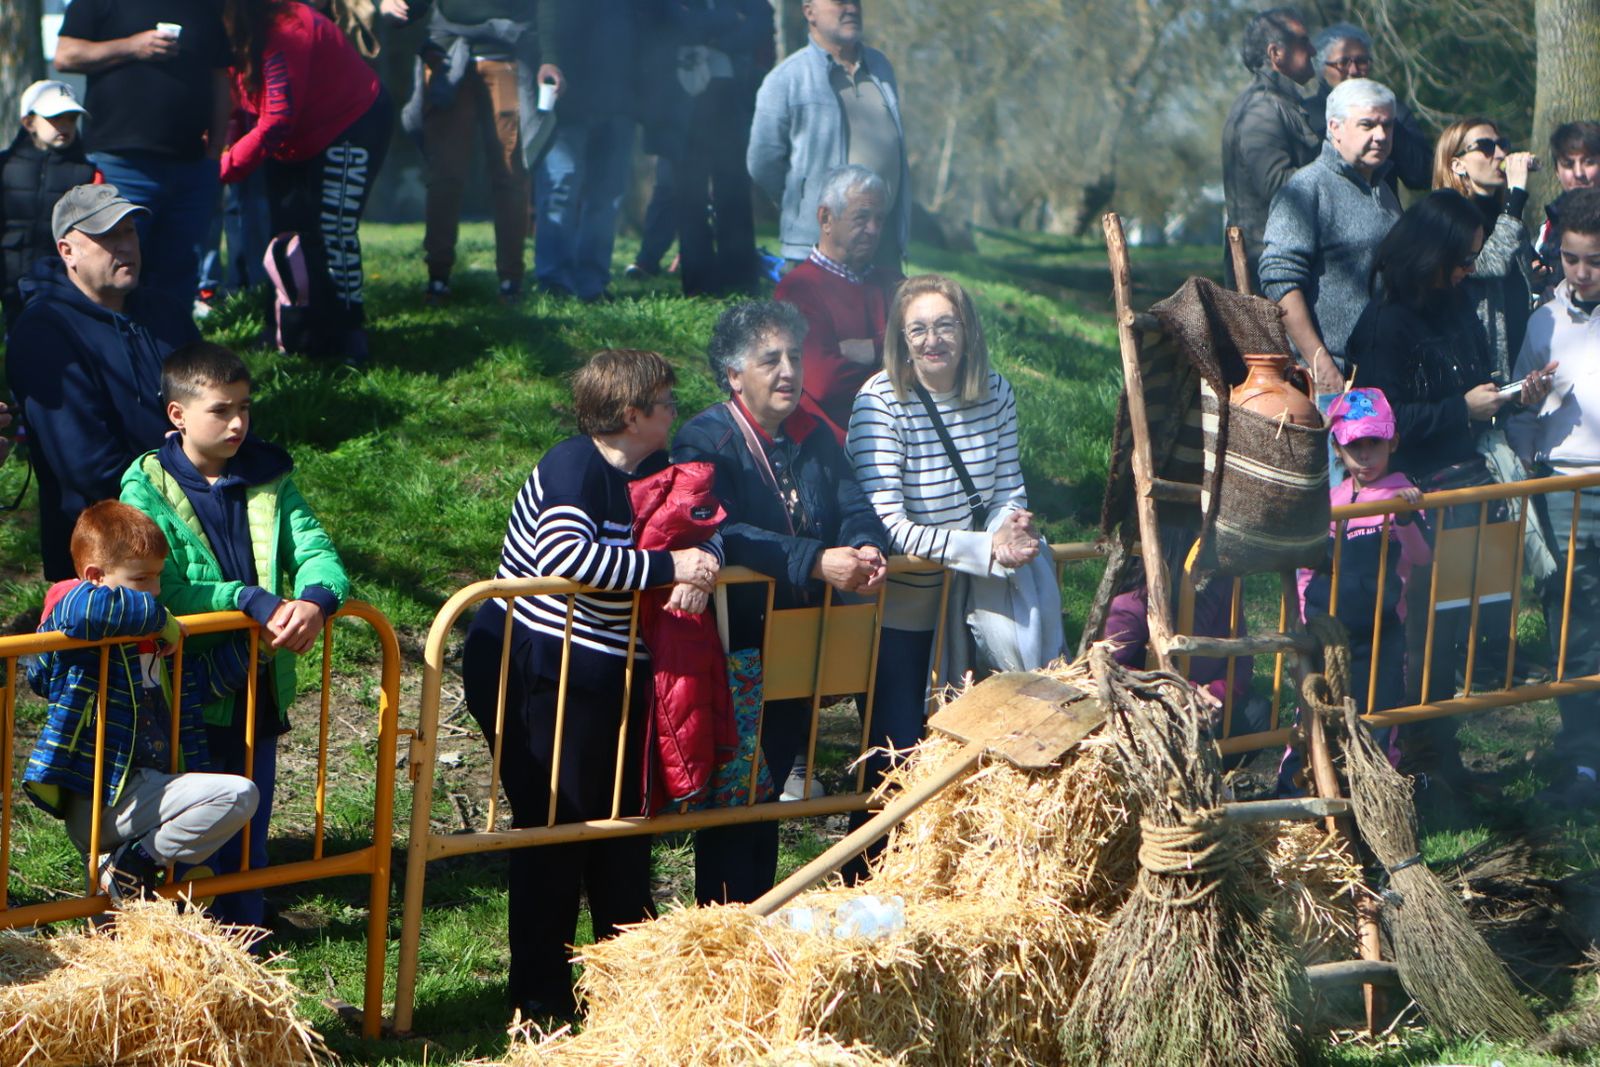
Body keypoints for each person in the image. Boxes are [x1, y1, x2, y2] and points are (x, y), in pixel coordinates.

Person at [461, 349, 718, 1018]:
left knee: (623, 828)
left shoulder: (659, 465)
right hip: (541, 666)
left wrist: (702, 561)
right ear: (631, 414)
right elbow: (567, 558)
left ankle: (624, 986)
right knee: (556, 828)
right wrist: (671, 568)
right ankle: (541, 998)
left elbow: (710, 526)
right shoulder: (574, 464)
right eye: (665, 403)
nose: (675, 412)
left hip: (611, 670)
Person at [120, 341, 351, 929]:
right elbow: (161, 591)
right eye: (221, 410)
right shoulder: (143, 488)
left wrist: (317, 600)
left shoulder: (268, 473)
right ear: (177, 415)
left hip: (257, 684)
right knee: (189, 827)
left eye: (244, 407)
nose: (238, 423)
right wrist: (245, 599)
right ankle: (179, 939)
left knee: (251, 827)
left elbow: (316, 550)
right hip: (182, 690)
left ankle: (246, 937)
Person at [673, 301, 888, 904]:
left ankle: (756, 918)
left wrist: (866, 544)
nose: (789, 370)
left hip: (795, 643)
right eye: (770, 359)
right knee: (735, 800)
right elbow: (721, 529)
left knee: (765, 792)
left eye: (794, 355)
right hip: (734, 646)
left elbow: (853, 503)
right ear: (734, 374)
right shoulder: (705, 438)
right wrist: (815, 560)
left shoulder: (812, 433)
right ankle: (722, 924)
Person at [1348, 191, 1555, 810]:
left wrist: (1511, 396)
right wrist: (1458, 409)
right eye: (1462, 259)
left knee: (1456, 637)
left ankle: (1443, 758)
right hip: (1415, 501)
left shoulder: (1457, 302)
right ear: (1429, 254)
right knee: (1420, 641)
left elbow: (1474, 388)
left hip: (1468, 488)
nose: (1469, 270)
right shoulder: (1384, 324)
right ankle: (1412, 767)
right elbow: (1376, 425)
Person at [846, 274, 1059, 856]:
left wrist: (1011, 528)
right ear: (900, 337)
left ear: (967, 332)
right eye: (917, 329)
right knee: (898, 748)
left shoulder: (996, 390)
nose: (932, 340)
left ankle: (948, 870)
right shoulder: (879, 401)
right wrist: (984, 551)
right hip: (903, 602)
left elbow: (1007, 486)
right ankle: (869, 872)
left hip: (975, 595)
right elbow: (887, 523)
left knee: (972, 744)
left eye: (945, 325)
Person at [22, 501, 258, 904]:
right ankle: (135, 864)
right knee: (237, 794)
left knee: (114, 925)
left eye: (158, 577)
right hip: (103, 796)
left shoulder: (150, 645)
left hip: (146, 791)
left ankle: (125, 871)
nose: (156, 591)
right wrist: (160, 619)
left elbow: (199, 685)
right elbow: (84, 608)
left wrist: (259, 646)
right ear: (95, 576)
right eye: (141, 579)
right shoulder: (74, 615)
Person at [5, 184, 199, 581]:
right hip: (109, 559)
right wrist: (191, 480)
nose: (125, 246)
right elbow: (88, 467)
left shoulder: (166, 312)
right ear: (67, 251)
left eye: (129, 232)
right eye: (108, 236)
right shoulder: (44, 332)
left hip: (199, 518)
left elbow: (217, 398)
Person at [219, 0, 393, 366]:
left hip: (350, 121)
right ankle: (289, 327)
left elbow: (277, 119)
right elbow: (238, 107)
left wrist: (222, 169)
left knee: (334, 227)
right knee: (283, 235)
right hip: (295, 135)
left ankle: (350, 331)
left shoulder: (287, 28)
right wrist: (223, 149)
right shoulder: (233, 35)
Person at [1509, 186, 1600, 808]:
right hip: (1561, 487)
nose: (1582, 272)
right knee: (1575, 627)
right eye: (1571, 259)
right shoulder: (1542, 320)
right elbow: (1521, 412)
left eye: (1595, 260)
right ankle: (1585, 762)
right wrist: (1532, 399)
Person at [53, 1, 232, 302]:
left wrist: (214, 151)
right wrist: (132, 47)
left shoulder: (205, 6)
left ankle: (170, 333)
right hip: (119, 164)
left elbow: (220, 77)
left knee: (179, 276)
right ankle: (109, 332)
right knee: (111, 271)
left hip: (190, 166)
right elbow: (65, 55)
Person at [400, 0, 562, 305]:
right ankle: (437, 277)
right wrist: (393, 5)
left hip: (508, 55)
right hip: (446, 53)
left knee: (510, 174)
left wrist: (549, 57)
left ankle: (511, 282)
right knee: (445, 174)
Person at [1259, 77, 1403, 397]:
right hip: (1331, 382)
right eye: (1367, 125)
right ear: (1335, 128)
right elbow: (1280, 282)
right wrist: (1319, 362)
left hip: (1384, 375)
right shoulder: (1305, 189)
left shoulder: (1385, 191)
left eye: (1387, 125)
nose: (1381, 136)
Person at [748, 0, 910, 271]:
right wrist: (802, 200)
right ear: (809, 11)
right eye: (840, 2)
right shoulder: (786, 78)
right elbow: (762, 162)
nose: (852, 9)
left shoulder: (880, 67)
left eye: (855, 2)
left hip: (882, 243)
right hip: (818, 248)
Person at [649, 0, 772, 297]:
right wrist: (730, 18)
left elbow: (761, 19)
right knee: (688, 192)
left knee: (734, 186)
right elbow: (672, 21)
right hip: (680, 95)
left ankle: (739, 279)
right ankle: (699, 283)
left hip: (732, 91)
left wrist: (718, 36)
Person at [774, 164, 889, 443]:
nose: (873, 229)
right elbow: (826, 382)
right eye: (862, 217)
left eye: (879, 219)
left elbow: (937, 356)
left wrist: (874, 348)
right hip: (833, 446)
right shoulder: (797, 289)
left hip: (899, 439)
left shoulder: (894, 284)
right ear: (826, 218)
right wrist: (899, 364)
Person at [533, 1, 637, 302]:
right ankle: (555, 283)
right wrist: (549, 59)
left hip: (620, 101)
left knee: (606, 197)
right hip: (570, 99)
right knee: (560, 189)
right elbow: (547, 12)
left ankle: (593, 283)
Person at [1220, 7, 1318, 292]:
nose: (1313, 50)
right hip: (1269, 271)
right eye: (1303, 41)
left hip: (1281, 262)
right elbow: (1278, 187)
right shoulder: (1261, 110)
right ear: (1276, 53)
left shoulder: (1280, 103)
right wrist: (1337, 171)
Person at [1434, 118, 1540, 380]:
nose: (1500, 154)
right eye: (1486, 147)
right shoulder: (1447, 213)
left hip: (1519, 351)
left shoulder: (1502, 211)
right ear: (1457, 164)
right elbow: (1489, 264)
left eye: (1502, 144)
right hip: (1479, 358)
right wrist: (1516, 195)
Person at [0, 81, 98, 326]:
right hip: (9, 277)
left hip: (62, 281)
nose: (65, 126)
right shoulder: (5, 166)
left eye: (71, 119)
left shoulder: (88, 173)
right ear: (29, 122)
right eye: (55, 118)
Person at [1304, 23, 1431, 194]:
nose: (1353, 70)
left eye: (1361, 61)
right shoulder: (1306, 115)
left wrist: (1385, 122)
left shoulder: (1394, 112)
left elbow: (1423, 175)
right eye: (1343, 63)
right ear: (1322, 68)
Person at [1535, 121, 1600, 278]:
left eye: (1589, 162)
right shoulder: (1550, 225)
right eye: (1568, 164)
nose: (1579, 173)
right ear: (1557, 171)